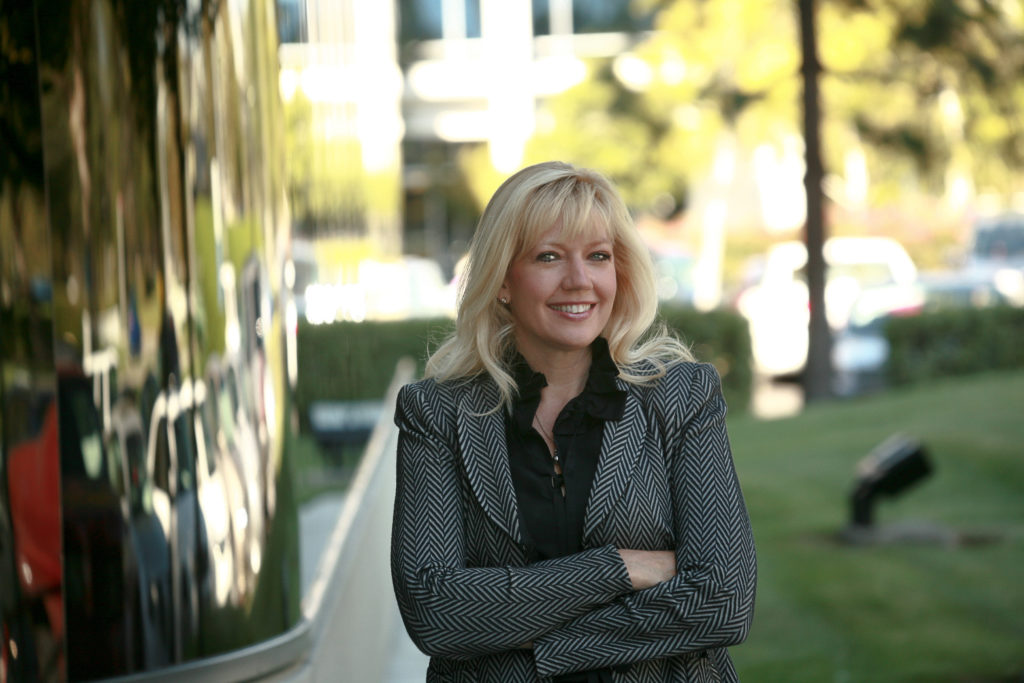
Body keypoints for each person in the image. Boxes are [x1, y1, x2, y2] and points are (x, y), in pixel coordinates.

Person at [391, 161, 756, 682]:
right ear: (501, 281)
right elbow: (435, 610)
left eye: (598, 256)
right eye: (548, 257)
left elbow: (724, 597)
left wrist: (542, 651)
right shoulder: (436, 415)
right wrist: (624, 568)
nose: (579, 280)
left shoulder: (681, 398)